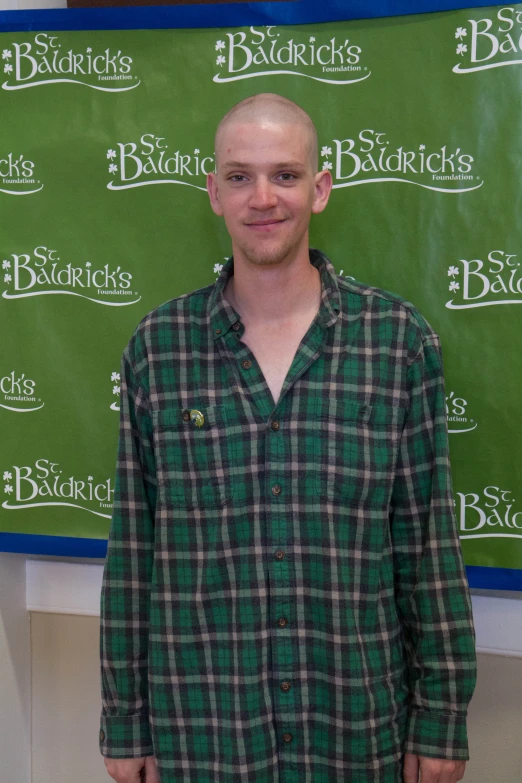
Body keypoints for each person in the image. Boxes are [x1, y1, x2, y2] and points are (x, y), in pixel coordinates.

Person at [99, 93, 477, 783]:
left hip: (358, 734)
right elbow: (133, 554)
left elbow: (427, 550)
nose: (262, 197)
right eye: (239, 176)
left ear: (320, 187)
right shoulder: (159, 349)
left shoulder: (398, 344)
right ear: (213, 192)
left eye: (285, 174)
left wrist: (442, 716)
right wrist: (125, 720)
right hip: (204, 736)